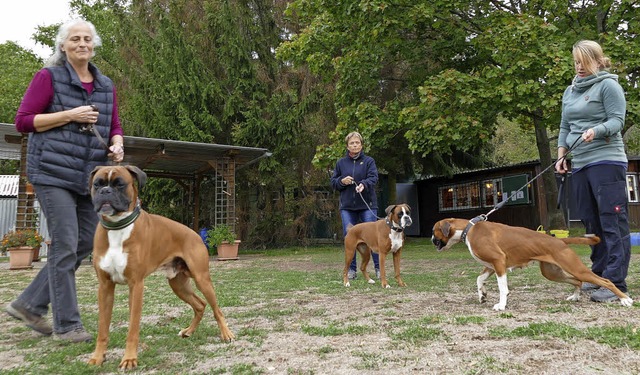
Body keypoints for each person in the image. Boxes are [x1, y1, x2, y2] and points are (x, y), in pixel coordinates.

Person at [4, 18, 125, 342]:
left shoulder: (105, 85)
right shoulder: (49, 77)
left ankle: (29, 304)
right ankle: (67, 326)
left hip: (87, 177)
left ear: (93, 45)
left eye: (87, 39)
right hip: (52, 173)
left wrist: (117, 143)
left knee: (85, 242)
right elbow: (23, 121)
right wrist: (70, 114)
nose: (82, 43)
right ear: (63, 46)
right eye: (75, 39)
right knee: (66, 243)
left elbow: (114, 124)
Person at [555, 40, 630, 303]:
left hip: (606, 160)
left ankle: (614, 282)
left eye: (584, 62)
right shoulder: (570, 91)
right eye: (576, 62)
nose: (579, 67)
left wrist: (596, 130)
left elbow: (617, 120)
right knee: (590, 221)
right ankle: (596, 275)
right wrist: (561, 156)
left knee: (612, 221)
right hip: (581, 163)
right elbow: (565, 126)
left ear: (598, 62)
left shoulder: (609, 85)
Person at [330, 131, 380, 280]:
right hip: (347, 207)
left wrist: (364, 184)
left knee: (374, 238)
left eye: (357, 142)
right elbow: (333, 182)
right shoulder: (340, 163)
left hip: (367, 206)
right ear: (347, 146)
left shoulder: (369, 161)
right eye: (352, 143)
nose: (355, 145)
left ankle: (378, 269)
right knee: (349, 238)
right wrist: (341, 181)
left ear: (361, 145)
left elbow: (374, 178)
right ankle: (352, 270)